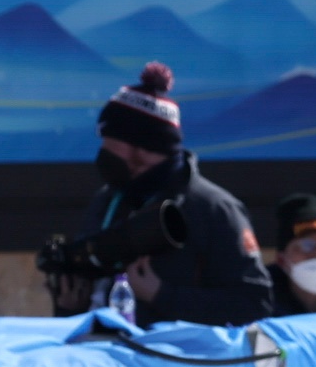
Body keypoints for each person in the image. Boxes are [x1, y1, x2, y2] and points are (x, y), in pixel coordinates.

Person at [74, 64, 273, 326]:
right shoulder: (108, 200)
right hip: (106, 359)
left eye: (110, 139)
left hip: (181, 363)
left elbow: (254, 304)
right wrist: (71, 303)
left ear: (141, 148)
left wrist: (161, 295)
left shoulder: (214, 209)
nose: (103, 150)